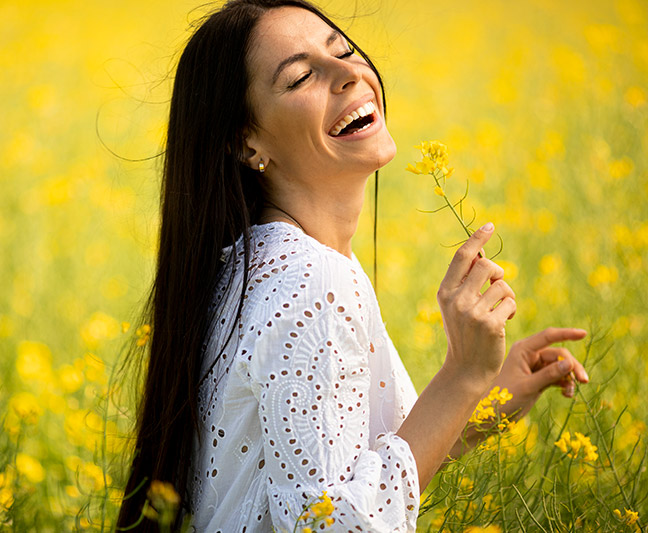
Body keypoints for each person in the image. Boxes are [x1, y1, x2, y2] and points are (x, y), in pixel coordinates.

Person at [116, 1, 590, 531]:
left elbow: (352, 465)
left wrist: (482, 398)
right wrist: (462, 374)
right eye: (300, 77)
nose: (349, 74)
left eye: (343, 50)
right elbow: (337, 523)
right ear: (247, 142)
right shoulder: (310, 281)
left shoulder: (259, 264)